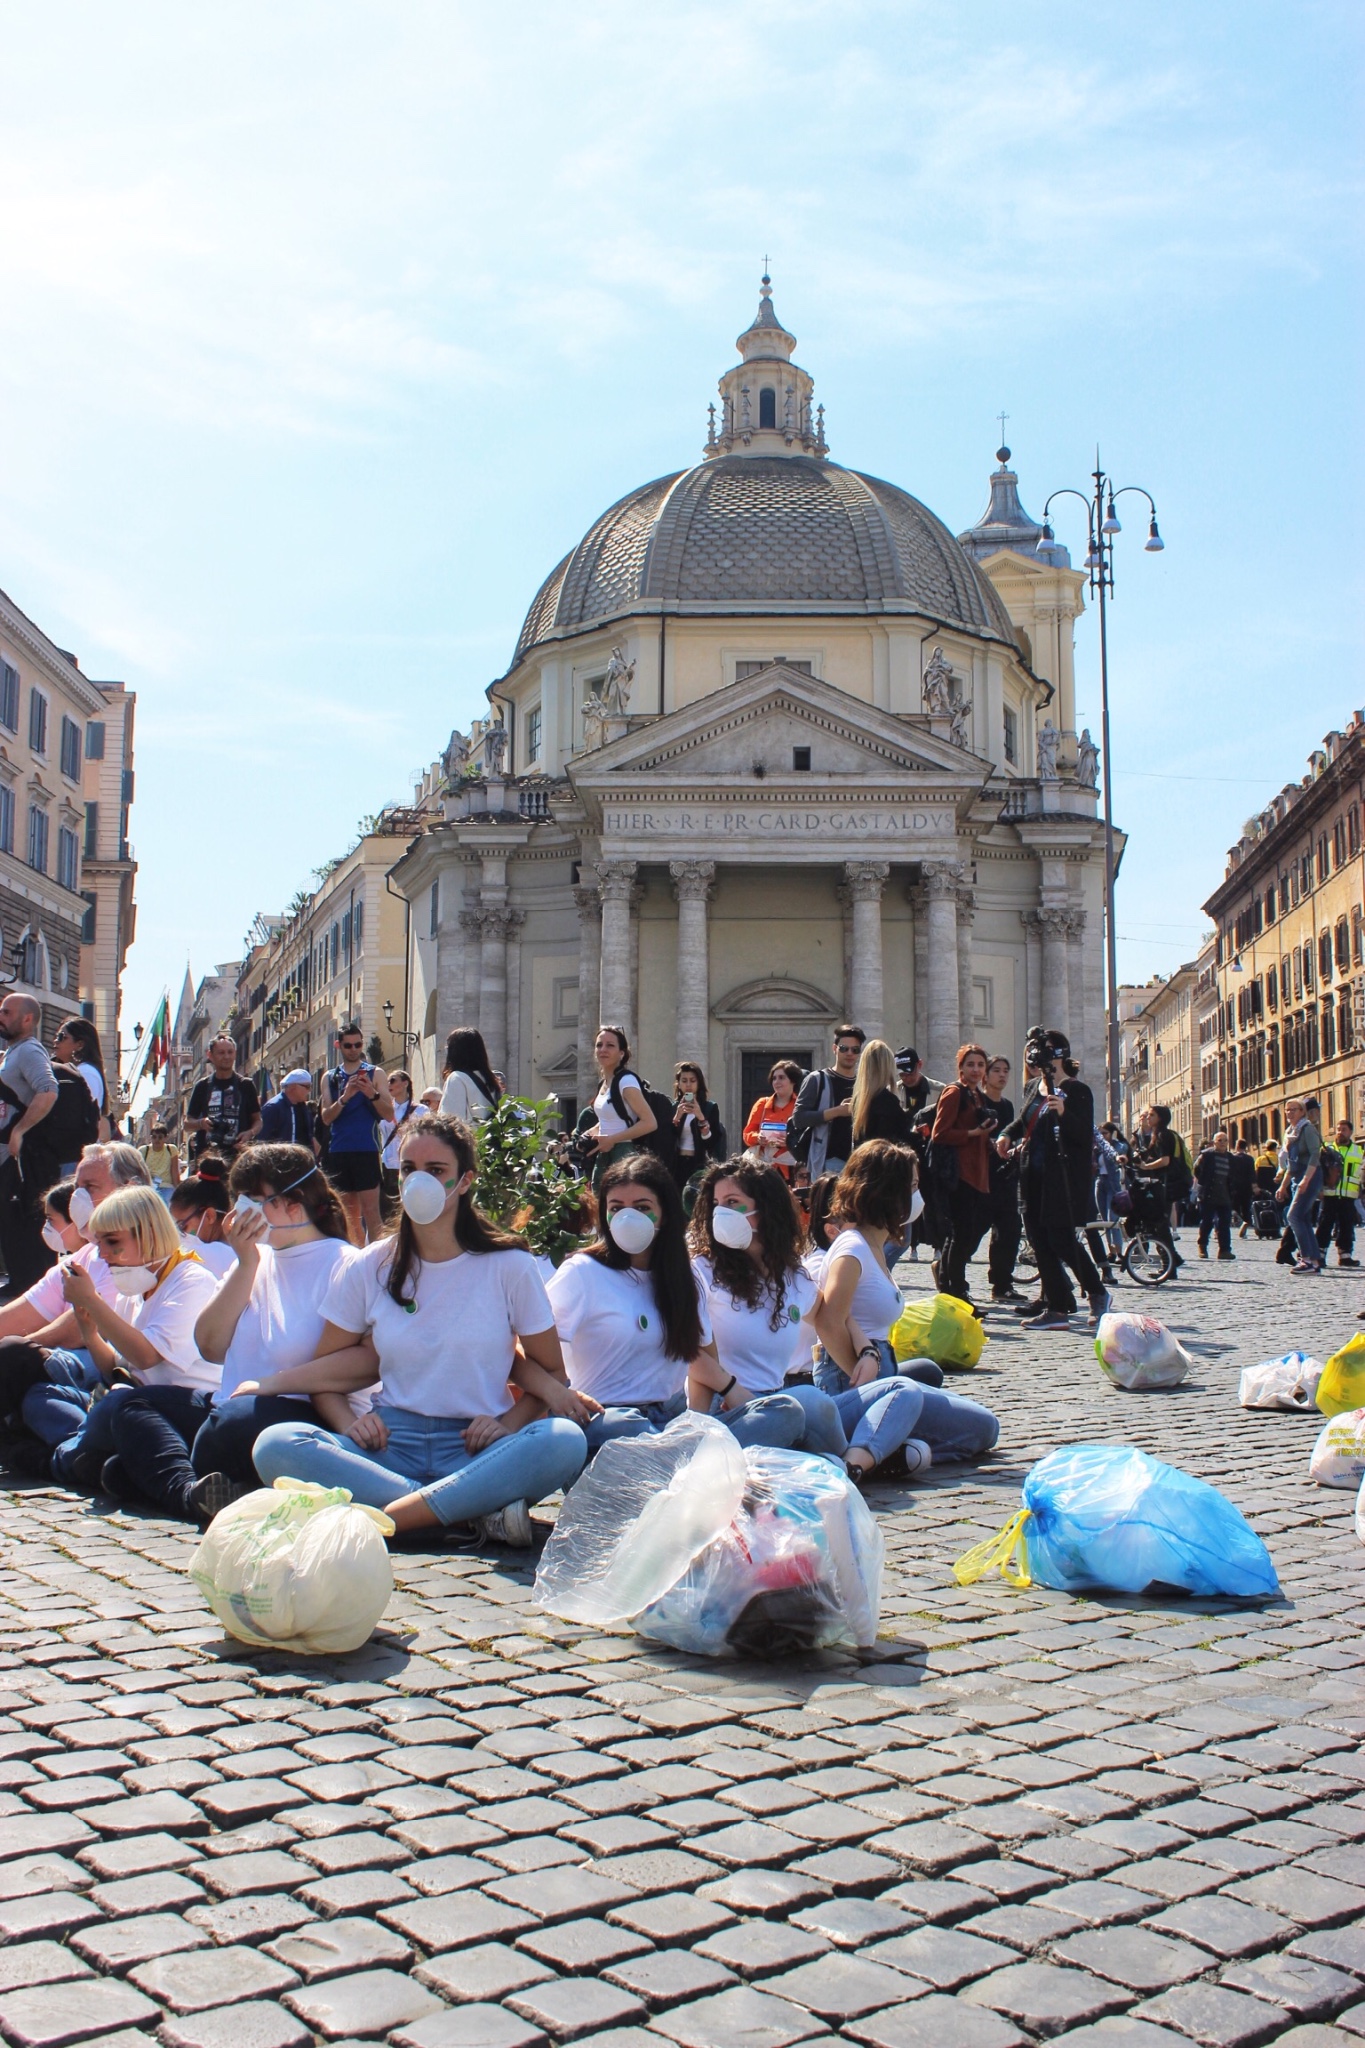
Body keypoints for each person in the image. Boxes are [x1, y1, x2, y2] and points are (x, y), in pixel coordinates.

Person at [251, 1114, 587, 1545]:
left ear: (464, 1181)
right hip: (388, 1446)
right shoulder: (369, 1264)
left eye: (436, 1171)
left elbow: (551, 1374)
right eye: (409, 1169)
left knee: (563, 1439)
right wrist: (348, 1422)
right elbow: (327, 1372)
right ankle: (461, 1511)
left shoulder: (510, 1266)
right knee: (276, 1444)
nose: (419, 1181)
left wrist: (508, 1423)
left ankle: (403, 1514)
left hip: (477, 1450)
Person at [539, 1152, 807, 1456]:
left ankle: (689, 1460)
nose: (629, 1217)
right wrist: (560, 1393)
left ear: (664, 1212)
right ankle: (695, 1462)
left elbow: (705, 1359)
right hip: (606, 1420)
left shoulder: (684, 1279)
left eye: (642, 1207)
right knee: (628, 1425)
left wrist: (703, 1423)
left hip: (670, 1420)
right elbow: (531, 1348)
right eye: (616, 1208)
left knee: (786, 1411)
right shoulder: (582, 1272)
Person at [176, 1146, 369, 1488]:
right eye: (239, 1197)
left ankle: (169, 1478)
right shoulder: (253, 1258)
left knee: (226, 1428)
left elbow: (349, 1368)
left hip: (299, 1411)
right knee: (130, 1406)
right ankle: (184, 1490)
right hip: (231, 1405)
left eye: (253, 1197)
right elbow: (210, 1346)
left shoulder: (345, 1264)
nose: (241, 1209)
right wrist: (247, 1264)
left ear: (294, 1203)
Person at [812, 1140, 999, 1468]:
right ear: (886, 1192)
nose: (917, 1195)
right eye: (911, 1186)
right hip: (856, 1379)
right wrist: (859, 1375)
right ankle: (885, 1453)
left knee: (929, 1372)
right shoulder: (852, 1251)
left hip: (883, 1363)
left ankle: (892, 1442)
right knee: (984, 1427)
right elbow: (828, 1322)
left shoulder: (874, 1246)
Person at [47, 1184, 224, 1520]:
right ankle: (92, 1460)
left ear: (149, 1235)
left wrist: (93, 1303)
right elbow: (115, 1368)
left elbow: (146, 1357)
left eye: (113, 1242)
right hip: (137, 1401)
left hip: (187, 1407)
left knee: (118, 1404)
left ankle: (61, 1458)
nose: (103, 1255)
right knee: (49, 1393)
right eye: (100, 1244)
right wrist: (88, 1328)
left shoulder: (191, 1281)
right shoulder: (136, 1288)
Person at [999, 1029, 1112, 1331]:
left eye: (1044, 1049)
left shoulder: (1077, 1091)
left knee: (1060, 1239)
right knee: (1039, 1240)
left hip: (1061, 1177)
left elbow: (1084, 1134)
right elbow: (1023, 1121)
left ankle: (1098, 1293)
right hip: (1031, 1174)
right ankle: (1058, 1306)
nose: (1037, 1055)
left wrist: (1064, 1112)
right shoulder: (1034, 1087)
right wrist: (1006, 1135)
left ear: (1059, 1054)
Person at [0, 994, 61, 1295]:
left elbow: (48, 1090)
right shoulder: (12, 1052)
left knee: (17, 1226)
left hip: (15, 1159)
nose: (1, 1016)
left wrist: (20, 1131)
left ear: (27, 1019)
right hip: (6, 1157)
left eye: (7, 1012)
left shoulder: (28, 1051)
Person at [928, 1045, 997, 1303]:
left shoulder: (976, 1095)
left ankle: (950, 1285)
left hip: (977, 1173)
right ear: (961, 1067)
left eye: (980, 1065)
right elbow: (940, 1133)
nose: (976, 1069)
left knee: (964, 1235)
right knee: (960, 1235)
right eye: (971, 1064)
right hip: (959, 1174)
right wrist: (972, 1134)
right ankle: (956, 1291)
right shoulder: (954, 1092)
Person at [319, 1026, 393, 1247]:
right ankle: (353, 1257)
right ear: (339, 1046)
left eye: (358, 1045)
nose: (353, 1050)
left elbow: (389, 1113)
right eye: (348, 1045)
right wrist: (345, 1097)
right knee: (347, 1214)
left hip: (366, 1149)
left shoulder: (375, 1073)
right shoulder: (330, 1077)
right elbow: (326, 1117)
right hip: (339, 1151)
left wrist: (372, 1093)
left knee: (371, 1212)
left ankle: (377, 1258)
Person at [580, 1026, 658, 1189]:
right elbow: (611, 1119)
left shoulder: (626, 1081)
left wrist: (612, 1139)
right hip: (604, 1153)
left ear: (621, 1053)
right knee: (601, 1205)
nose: (603, 1049)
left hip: (624, 1153)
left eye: (610, 1045)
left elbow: (650, 1122)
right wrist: (590, 1133)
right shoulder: (604, 1083)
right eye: (599, 1045)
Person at [790, 1025, 865, 1179]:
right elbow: (799, 1118)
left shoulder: (863, 1083)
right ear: (834, 1048)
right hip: (828, 1161)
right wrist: (838, 1111)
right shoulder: (817, 1079)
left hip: (858, 1161)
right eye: (844, 1048)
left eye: (855, 1050)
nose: (850, 1053)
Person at [983, 1056, 1022, 1302]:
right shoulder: (979, 1103)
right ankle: (948, 1274)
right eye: (996, 1070)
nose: (1002, 1075)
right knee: (972, 1232)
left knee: (1009, 1230)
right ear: (986, 1075)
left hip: (1005, 1176)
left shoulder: (1007, 1106)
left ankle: (1002, 1284)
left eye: (1006, 1071)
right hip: (982, 1176)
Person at [185, 1037, 262, 1162]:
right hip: (208, 1160)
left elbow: (258, 1121)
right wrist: (201, 1123)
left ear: (235, 1054)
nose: (226, 1057)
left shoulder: (246, 1085)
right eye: (221, 1053)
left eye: (230, 1052)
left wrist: (250, 1133)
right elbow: (187, 1124)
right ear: (210, 1055)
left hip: (239, 1159)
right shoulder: (202, 1086)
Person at [1128, 1106, 1183, 1279]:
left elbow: (1164, 1160)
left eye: (1152, 1115)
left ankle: (1170, 1265)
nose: (1148, 1118)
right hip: (1160, 1185)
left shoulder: (1163, 1135)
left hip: (1165, 1185)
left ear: (1160, 1118)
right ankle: (1171, 1262)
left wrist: (1146, 1166)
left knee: (1160, 1226)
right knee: (1158, 1225)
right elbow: (1147, 1154)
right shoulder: (1155, 1135)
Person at [1279, 1097, 1323, 1275]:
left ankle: (1306, 1259)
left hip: (1310, 1176)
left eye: (1294, 1109)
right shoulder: (1290, 1132)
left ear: (1302, 1111)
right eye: (1287, 1110)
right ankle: (1313, 1260)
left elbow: (1315, 1155)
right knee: (1302, 1218)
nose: (1290, 1113)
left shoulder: (1307, 1129)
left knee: (1294, 1216)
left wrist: (1306, 1180)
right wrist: (1283, 1186)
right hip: (1297, 1176)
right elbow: (1291, 1163)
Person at [168, 1162, 236, 1278]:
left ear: (209, 1216)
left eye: (182, 1226)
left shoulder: (202, 1254)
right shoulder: (244, 1249)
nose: (178, 1234)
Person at [742, 1062, 803, 1180]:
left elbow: (807, 1137)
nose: (776, 1082)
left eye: (781, 1077)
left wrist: (789, 1142)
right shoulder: (762, 1104)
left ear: (793, 1081)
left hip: (792, 1170)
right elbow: (747, 1134)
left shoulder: (801, 1106)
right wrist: (758, 1138)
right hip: (762, 1171)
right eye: (774, 1078)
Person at [53, 1020, 111, 1142]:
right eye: (56, 1036)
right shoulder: (77, 1071)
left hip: (76, 1150)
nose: (56, 1041)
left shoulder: (86, 1072)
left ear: (80, 1044)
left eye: (62, 1037)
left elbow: (79, 1114)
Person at [1316, 1118, 1362, 1268]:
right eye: (1338, 1129)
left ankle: (1345, 1255)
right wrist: (1318, 1189)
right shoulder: (1327, 1149)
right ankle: (1320, 1254)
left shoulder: (1359, 1151)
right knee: (1324, 1225)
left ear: (1350, 1132)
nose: (1340, 1132)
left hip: (1349, 1195)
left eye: (1343, 1130)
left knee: (1347, 1226)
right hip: (1330, 1193)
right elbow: (1318, 1170)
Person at [669, 1063, 725, 1188]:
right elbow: (667, 1139)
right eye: (684, 1081)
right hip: (677, 1165)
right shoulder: (673, 1108)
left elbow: (712, 1143)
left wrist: (701, 1117)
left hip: (699, 1164)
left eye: (692, 1081)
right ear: (678, 1084)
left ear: (699, 1083)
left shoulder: (709, 1108)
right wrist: (677, 1117)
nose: (688, 1085)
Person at [379, 1072, 427, 1211]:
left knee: (409, 1204)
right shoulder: (384, 1109)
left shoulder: (420, 1110)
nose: (389, 1084)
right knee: (388, 1207)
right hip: (388, 1163)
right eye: (387, 1081)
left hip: (410, 1163)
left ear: (405, 1083)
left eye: (393, 1080)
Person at [850, 1040, 911, 1147]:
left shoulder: (858, 1100)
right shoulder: (888, 1102)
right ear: (887, 1067)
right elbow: (897, 1140)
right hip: (884, 1160)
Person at [438, 1030, 500, 1128]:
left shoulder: (457, 1078)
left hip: (471, 1140)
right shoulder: (489, 1078)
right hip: (489, 1139)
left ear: (454, 1052)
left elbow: (450, 1121)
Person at [1194, 1130, 1235, 1260]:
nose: (1223, 1143)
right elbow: (1196, 1169)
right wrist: (1203, 1182)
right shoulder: (1206, 1155)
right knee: (1207, 1222)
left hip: (1225, 1195)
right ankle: (1202, 1246)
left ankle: (1224, 1250)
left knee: (1224, 1223)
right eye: (1220, 1140)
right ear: (1214, 1142)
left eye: (1225, 1140)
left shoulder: (1231, 1158)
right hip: (1208, 1194)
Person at [259, 1070, 319, 1153]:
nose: (310, 1090)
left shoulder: (304, 1109)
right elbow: (262, 1139)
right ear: (293, 1087)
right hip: (280, 1161)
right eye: (307, 1086)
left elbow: (310, 1136)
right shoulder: (273, 1107)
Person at [140, 1123, 182, 1192]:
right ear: (150, 1138)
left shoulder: (171, 1149)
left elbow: (175, 1173)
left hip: (167, 1186)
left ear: (166, 1138)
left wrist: (178, 1192)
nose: (157, 1140)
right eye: (154, 1137)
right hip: (149, 1187)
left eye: (160, 1137)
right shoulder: (143, 1150)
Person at [1229, 1138, 1256, 1240]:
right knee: (1246, 1207)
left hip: (1234, 1186)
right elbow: (1252, 1174)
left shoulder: (1232, 1158)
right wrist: (1254, 1186)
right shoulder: (1249, 1159)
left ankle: (1235, 1213)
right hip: (1246, 1186)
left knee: (1233, 1205)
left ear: (1237, 1146)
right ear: (1246, 1147)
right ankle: (1245, 1222)